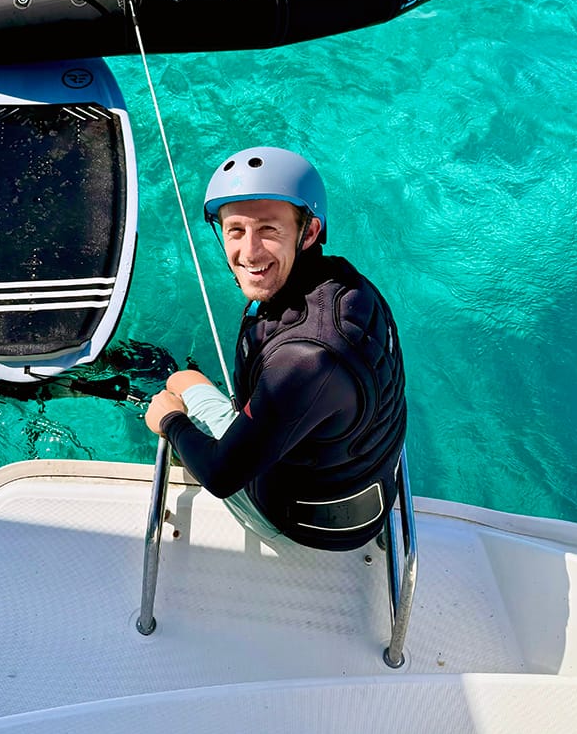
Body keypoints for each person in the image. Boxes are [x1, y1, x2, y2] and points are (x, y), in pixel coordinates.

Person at [145, 147, 406, 551]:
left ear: (310, 231)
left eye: (268, 229)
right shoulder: (349, 289)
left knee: (178, 382)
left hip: (302, 525)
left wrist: (172, 422)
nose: (249, 253)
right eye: (235, 231)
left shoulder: (305, 360)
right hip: (368, 486)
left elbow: (220, 475)